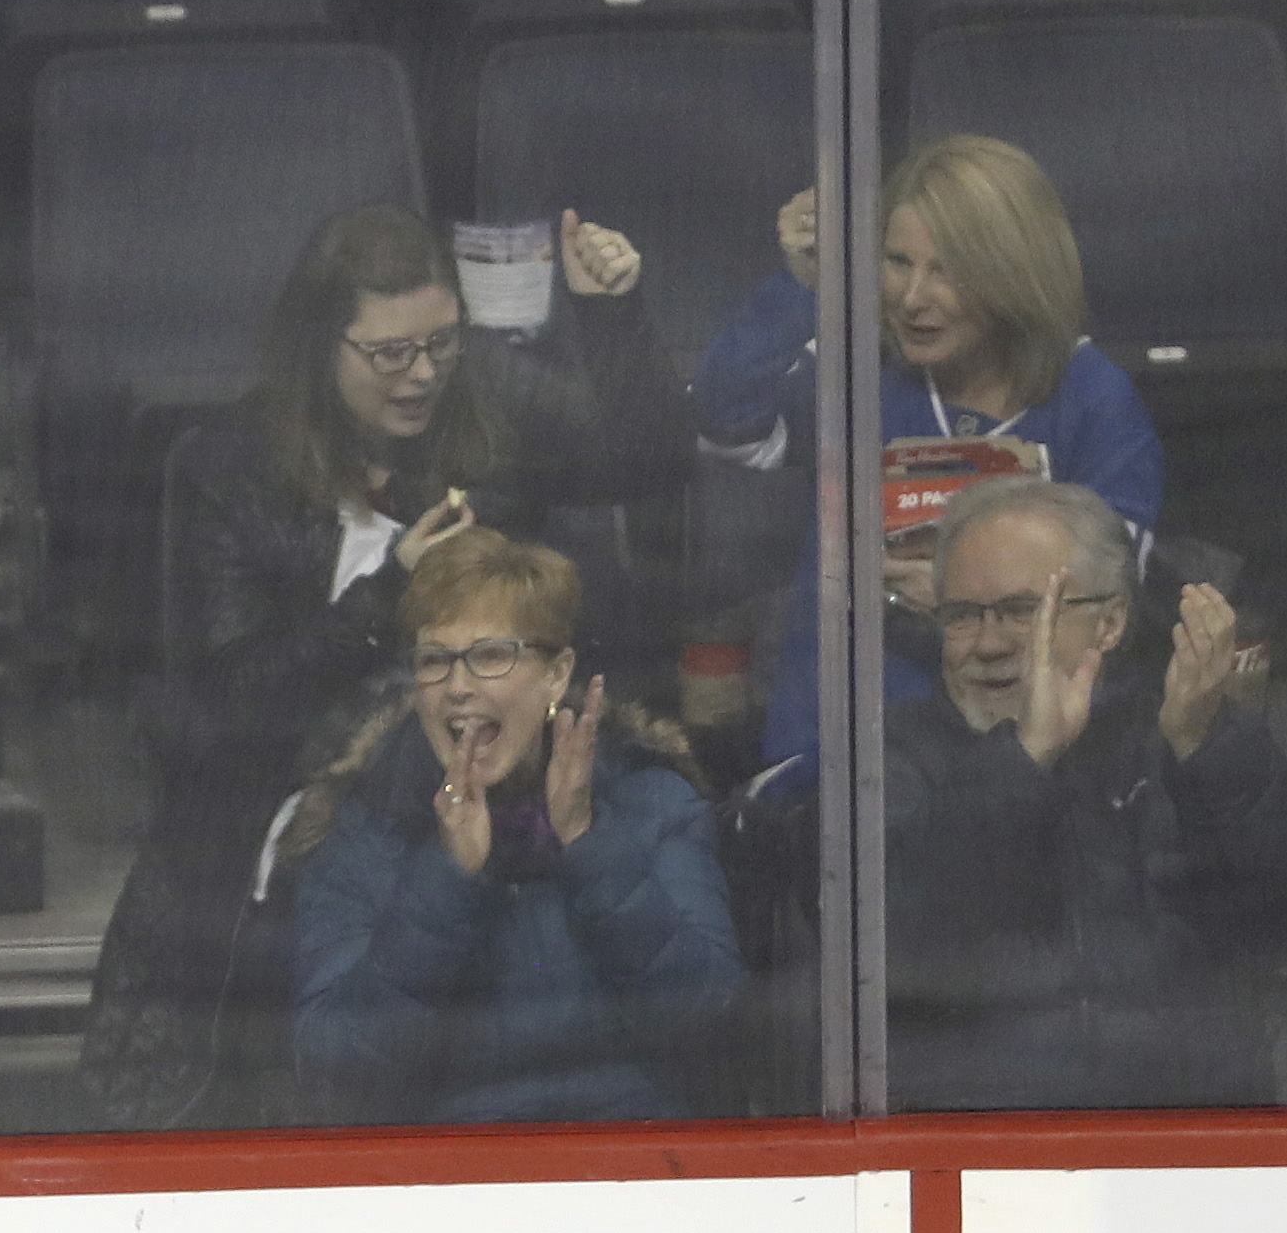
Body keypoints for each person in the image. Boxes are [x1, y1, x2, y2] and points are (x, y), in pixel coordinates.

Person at [82, 202, 690, 1128]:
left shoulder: (484, 399)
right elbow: (220, 715)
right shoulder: (229, 466)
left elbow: (646, 460)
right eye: (389, 355)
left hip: (466, 772)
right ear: (321, 347)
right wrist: (379, 602)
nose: (421, 376)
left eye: (440, 345)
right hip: (281, 806)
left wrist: (611, 315)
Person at [696, 135, 1164, 795]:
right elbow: (728, 426)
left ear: (1013, 274)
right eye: (897, 262)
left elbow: (1108, 611)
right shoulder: (863, 375)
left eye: (946, 270)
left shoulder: (1092, 401)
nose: (911, 296)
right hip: (834, 756)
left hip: (1021, 757)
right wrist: (798, 285)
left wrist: (956, 601)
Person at [289, 530, 743, 1125]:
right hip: (447, 1170)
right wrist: (448, 876)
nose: (457, 686)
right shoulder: (366, 827)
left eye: (490, 655)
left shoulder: (650, 801)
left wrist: (588, 842)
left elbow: (712, 1017)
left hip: (631, 1152)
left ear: (557, 675)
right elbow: (333, 1058)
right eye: (435, 660)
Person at [887, 479, 1287, 1112]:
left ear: (1110, 623)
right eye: (963, 615)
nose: (988, 643)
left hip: (1197, 1144)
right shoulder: (886, 759)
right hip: (972, 1145)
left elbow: (1264, 918)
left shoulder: (1178, 741)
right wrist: (1024, 756)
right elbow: (903, 941)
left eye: (1023, 610)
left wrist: (1204, 749)